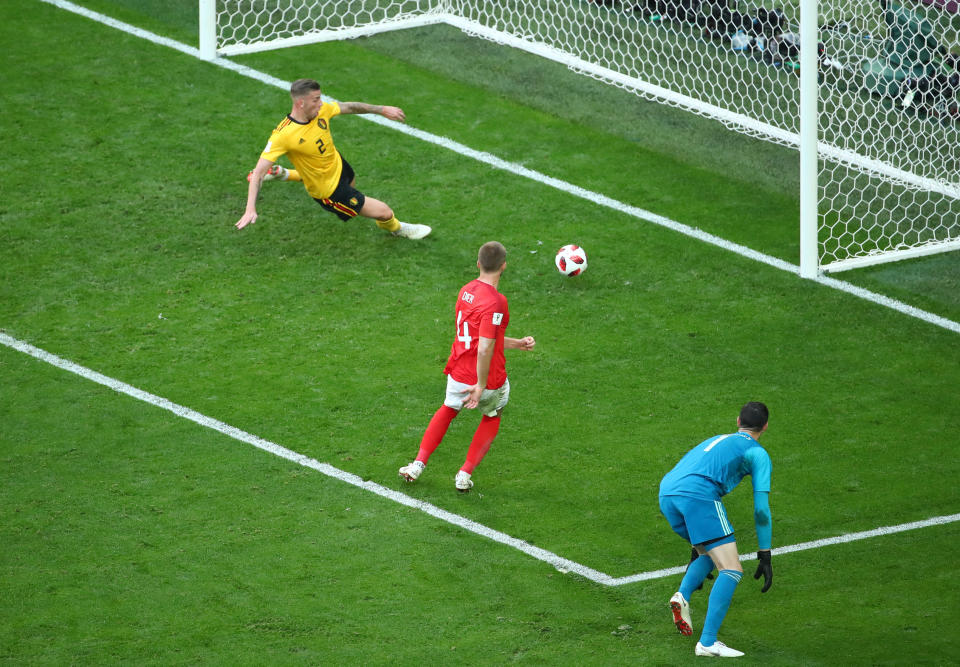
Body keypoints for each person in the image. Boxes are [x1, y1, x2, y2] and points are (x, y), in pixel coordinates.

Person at [398, 241, 535, 492]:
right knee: (492, 414)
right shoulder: (497, 302)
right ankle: (464, 474)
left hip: (459, 370)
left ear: (478, 264)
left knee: (448, 409)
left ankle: (418, 464)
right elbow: (484, 347)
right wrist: (481, 385)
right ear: (504, 266)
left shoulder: (465, 291)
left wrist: (516, 344)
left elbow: (481, 337)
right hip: (489, 377)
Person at [235, 78, 431, 240]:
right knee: (384, 212)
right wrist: (250, 208)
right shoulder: (284, 135)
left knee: (349, 183)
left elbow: (349, 107)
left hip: (339, 166)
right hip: (329, 191)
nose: (320, 103)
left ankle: (284, 174)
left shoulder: (321, 111)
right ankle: (397, 228)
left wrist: (380, 109)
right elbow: (258, 173)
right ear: (300, 103)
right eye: (316, 99)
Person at [658, 401, 774, 658]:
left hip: (667, 492)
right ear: (765, 426)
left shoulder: (717, 439)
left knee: (708, 554)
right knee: (731, 569)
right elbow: (761, 511)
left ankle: (682, 595)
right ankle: (708, 643)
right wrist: (765, 552)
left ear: (737, 421)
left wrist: (695, 542)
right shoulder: (757, 453)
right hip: (698, 497)